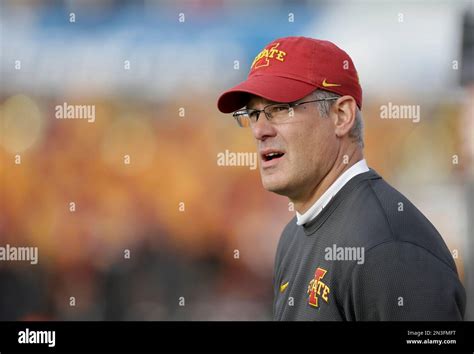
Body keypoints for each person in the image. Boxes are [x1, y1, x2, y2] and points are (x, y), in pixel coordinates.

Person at [217, 36, 466, 320]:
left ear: (341, 115)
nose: (259, 130)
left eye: (278, 109)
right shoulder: (295, 234)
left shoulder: (389, 247)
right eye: (253, 113)